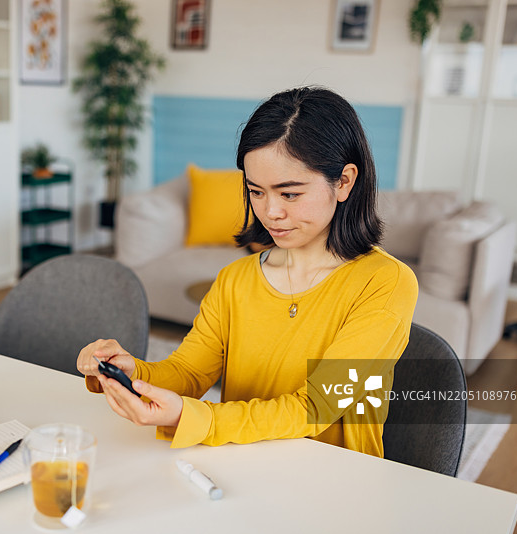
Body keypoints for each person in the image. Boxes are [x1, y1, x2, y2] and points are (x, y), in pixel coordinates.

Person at [76, 86, 418, 457]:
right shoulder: (235, 279)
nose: (270, 212)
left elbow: (318, 406)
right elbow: (189, 373)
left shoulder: (385, 282)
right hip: (237, 462)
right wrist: (133, 373)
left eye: (289, 194)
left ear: (344, 182)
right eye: (256, 191)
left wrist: (199, 419)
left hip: (334, 475)